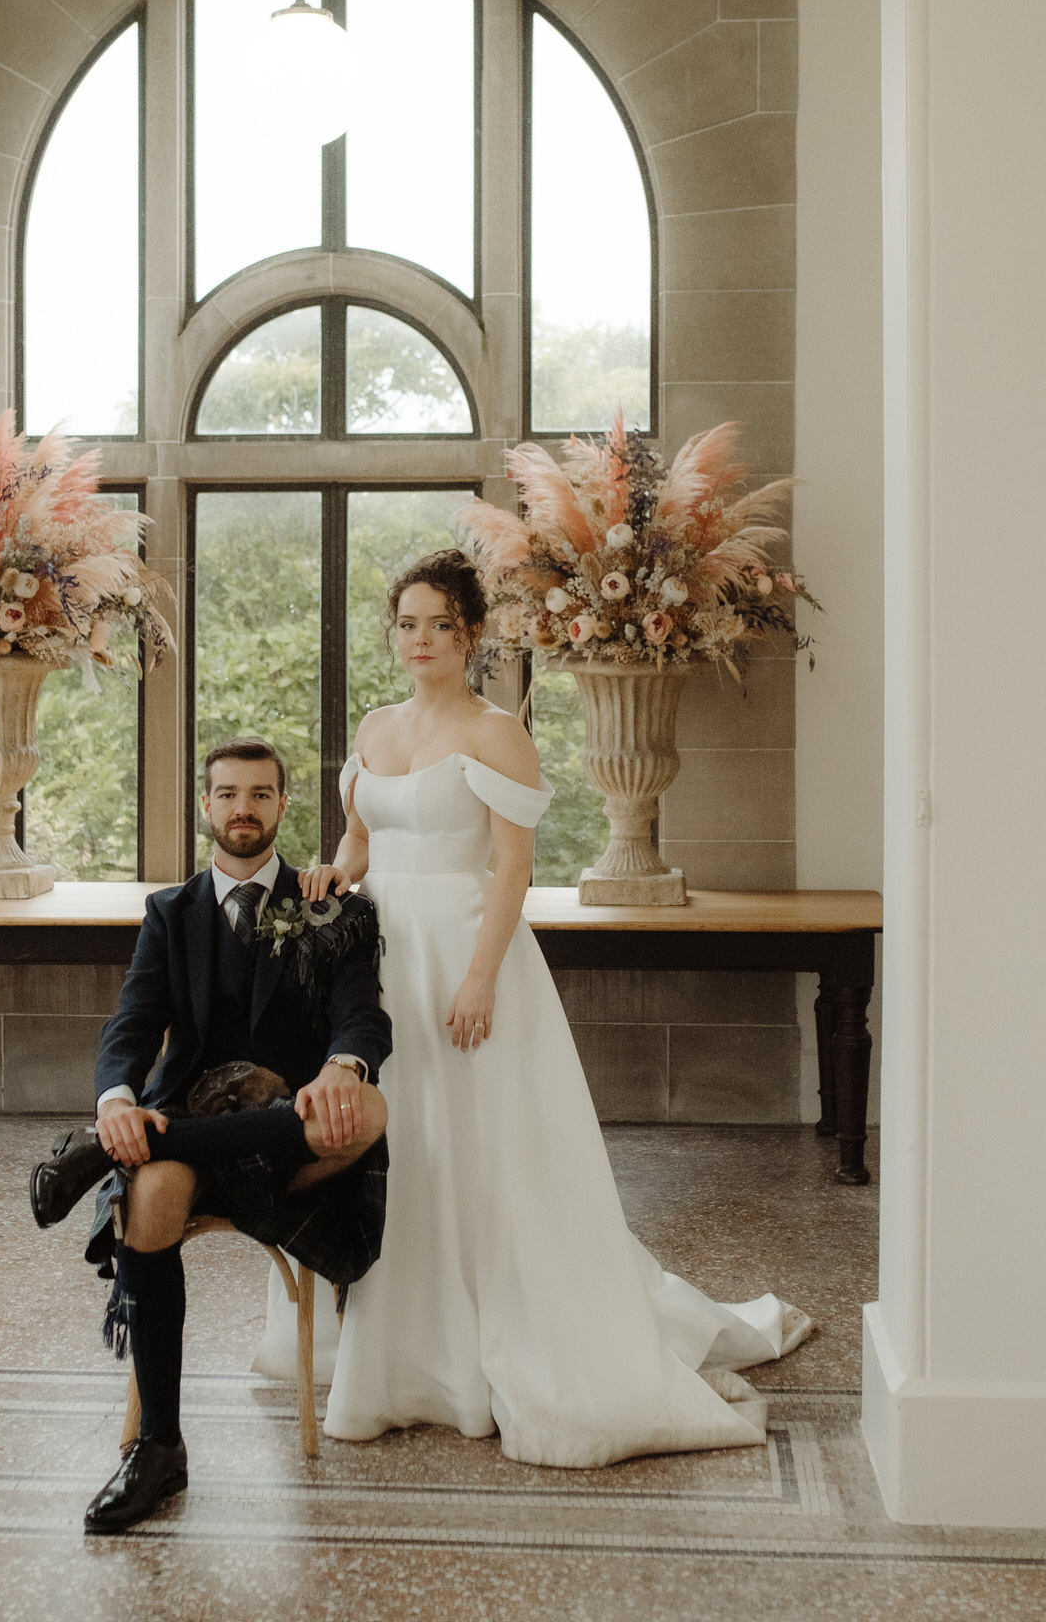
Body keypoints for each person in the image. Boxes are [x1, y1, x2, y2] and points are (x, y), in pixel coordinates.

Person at [294, 550, 812, 1469]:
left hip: (465, 950)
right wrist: (337, 872)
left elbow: (513, 867)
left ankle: (488, 1340)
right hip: (379, 962)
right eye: (406, 624)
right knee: (397, 1144)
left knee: (480, 1147)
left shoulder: (498, 734)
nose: (419, 641)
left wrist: (480, 976)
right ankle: (401, 1343)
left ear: (472, 634)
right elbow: (360, 839)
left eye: (439, 626)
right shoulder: (374, 727)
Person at [29, 736, 391, 1531]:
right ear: (206, 806)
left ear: (283, 806)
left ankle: (116, 1155)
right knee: (153, 1192)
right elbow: (132, 1023)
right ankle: (158, 1447)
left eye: (260, 794)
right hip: (191, 1119)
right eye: (227, 794)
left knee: (367, 1111)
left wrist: (343, 1065)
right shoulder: (170, 913)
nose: (242, 809)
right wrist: (116, 1100)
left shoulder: (332, 906)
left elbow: (361, 1011)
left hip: (294, 1131)